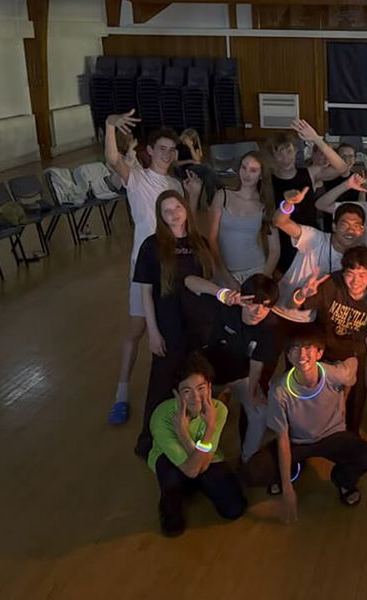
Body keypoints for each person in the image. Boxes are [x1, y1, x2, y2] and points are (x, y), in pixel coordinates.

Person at [105, 110, 201, 426]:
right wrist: (110, 125)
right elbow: (113, 159)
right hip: (145, 266)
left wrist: (194, 197)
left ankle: (177, 389)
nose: (167, 154)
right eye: (162, 149)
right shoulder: (137, 177)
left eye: (172, 150)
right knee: (136, 330)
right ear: (150, 150)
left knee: (174, 330)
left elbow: (186, 225)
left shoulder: (175, 183)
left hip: (174, 267)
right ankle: (121, 394)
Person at [133, 190, 216, 457]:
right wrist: (153, 332)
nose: (173, 214)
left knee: (197, 379)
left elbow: (207, 283)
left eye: (177, 208)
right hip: (169, 324)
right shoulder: (151, 246)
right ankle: (148, 440)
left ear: (186, 209)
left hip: (198, 323)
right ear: (160, 216)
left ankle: (197, 433)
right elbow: (146, 292)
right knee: (161, 381)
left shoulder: (200, 243)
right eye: (166, 211)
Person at [266, 325, 367, 522]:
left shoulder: (334, 374)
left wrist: (344, 399)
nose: (302, 354)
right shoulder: (279, 391)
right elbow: (282, 438)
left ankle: (342, 480)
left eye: (308, 347)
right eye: (295, 349)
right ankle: (294, 469)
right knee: (256, 471)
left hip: (332, 436)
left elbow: (352, 365)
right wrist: (287, 488)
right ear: (288, 356)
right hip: (298, 441)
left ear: (319, 353)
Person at [291, 245, 367, 434]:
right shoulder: (331, 284)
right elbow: (298, 305)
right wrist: (302, 294)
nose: (356, 281)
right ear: (343, 273)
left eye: (362, 275)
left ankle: (351, 434)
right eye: (350, 274)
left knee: (356, 394)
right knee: (314, 394)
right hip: (324, 350)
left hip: (353, 353)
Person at [183, 273, 281, 463]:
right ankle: (194, 455)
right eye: (253, 303)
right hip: (208, 373)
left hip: (240, 376)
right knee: (195, 411)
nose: (258, 311)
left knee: (260, 412)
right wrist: (222, 293)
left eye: (266, 306)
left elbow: (257, 362)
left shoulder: (269, 328)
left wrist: (253, 391)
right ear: (242, 299)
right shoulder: (226, 307)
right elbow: (189, 282)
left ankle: (247, 459)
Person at [147, 353, 246, 537]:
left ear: (209, 387)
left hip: (206, 460)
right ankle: (170, 507)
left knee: (234, 509)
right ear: (176, 393)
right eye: (186, 391)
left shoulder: (218, 410)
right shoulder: (162, 417)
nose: (195, 397)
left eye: (201, 388)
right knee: (172, 480)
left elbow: (203, 464)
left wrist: (205, 428)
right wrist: (187, 435)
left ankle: (193, 486)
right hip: (172, 462)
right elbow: (191, 470)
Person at [270, 189, 365, 328]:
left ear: (362, 231)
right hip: (278, 310)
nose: (350, 231)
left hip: (311, 321)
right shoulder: (315, 238)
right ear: (334, 226)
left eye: (356, 226)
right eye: (345, 225)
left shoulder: (358, 259)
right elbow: (280, 222)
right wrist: (288, 204)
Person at [266, 119, 350, 272]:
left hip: (311, 238)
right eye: (279, 154)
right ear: (273, 156)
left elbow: (342, 168)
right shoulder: (268, 181)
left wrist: (317, 139)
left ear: (295, 151)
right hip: (283, 241)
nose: (285, 158)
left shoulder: (309, 173)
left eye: (289, 151)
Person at [208, 151, 280, 285]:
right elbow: (212, 239)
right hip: (225, 272)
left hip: (255, 270)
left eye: (253, 170)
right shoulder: (222, 196)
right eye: (244, 167)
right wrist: (226, 276)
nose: (247, 174)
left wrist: (262, 280)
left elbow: (275, 250)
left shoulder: (265, 205)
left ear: (261, 175)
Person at [175, 128, 218, 208]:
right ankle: (221, 186)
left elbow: (197, 161)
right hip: (183, 169)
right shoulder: (178, 146)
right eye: (186, 138)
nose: (187, 141)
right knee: (207, 167)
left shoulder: (195, 147)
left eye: (189, 139)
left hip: (196, 169)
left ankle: (210, 202)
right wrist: (189, 161)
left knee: (208, 177)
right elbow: (175, 163)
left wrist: (191, 147)